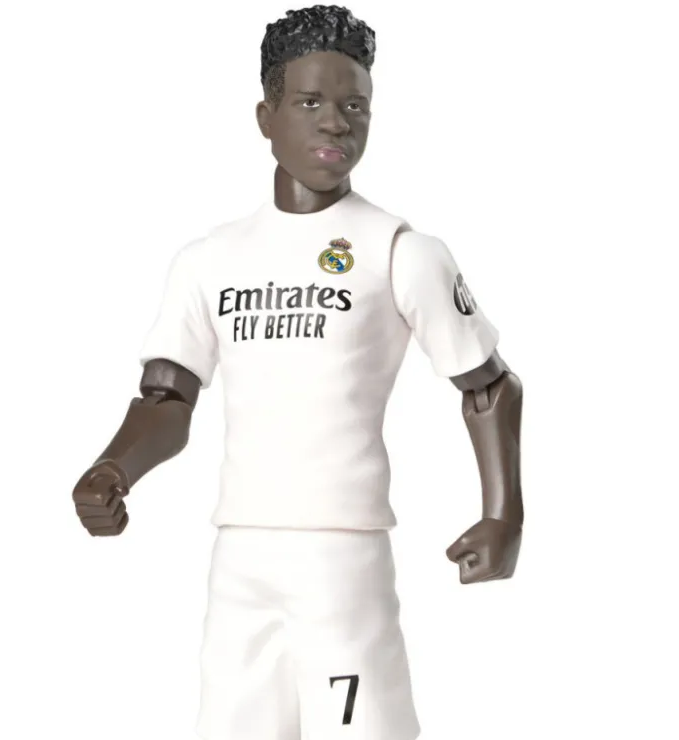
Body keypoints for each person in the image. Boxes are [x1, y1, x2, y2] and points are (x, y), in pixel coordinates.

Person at [72, 5, 524, 740]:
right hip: (241, 555)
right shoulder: (210, 260)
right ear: (266, 116)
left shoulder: (398, 250)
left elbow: (489, 385)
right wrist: (113, 468)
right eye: (310, 102)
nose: (336, 122)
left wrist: (503, 514)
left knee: (360, 728)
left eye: (355, 106)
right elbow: (166, 397)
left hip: (342, 553)